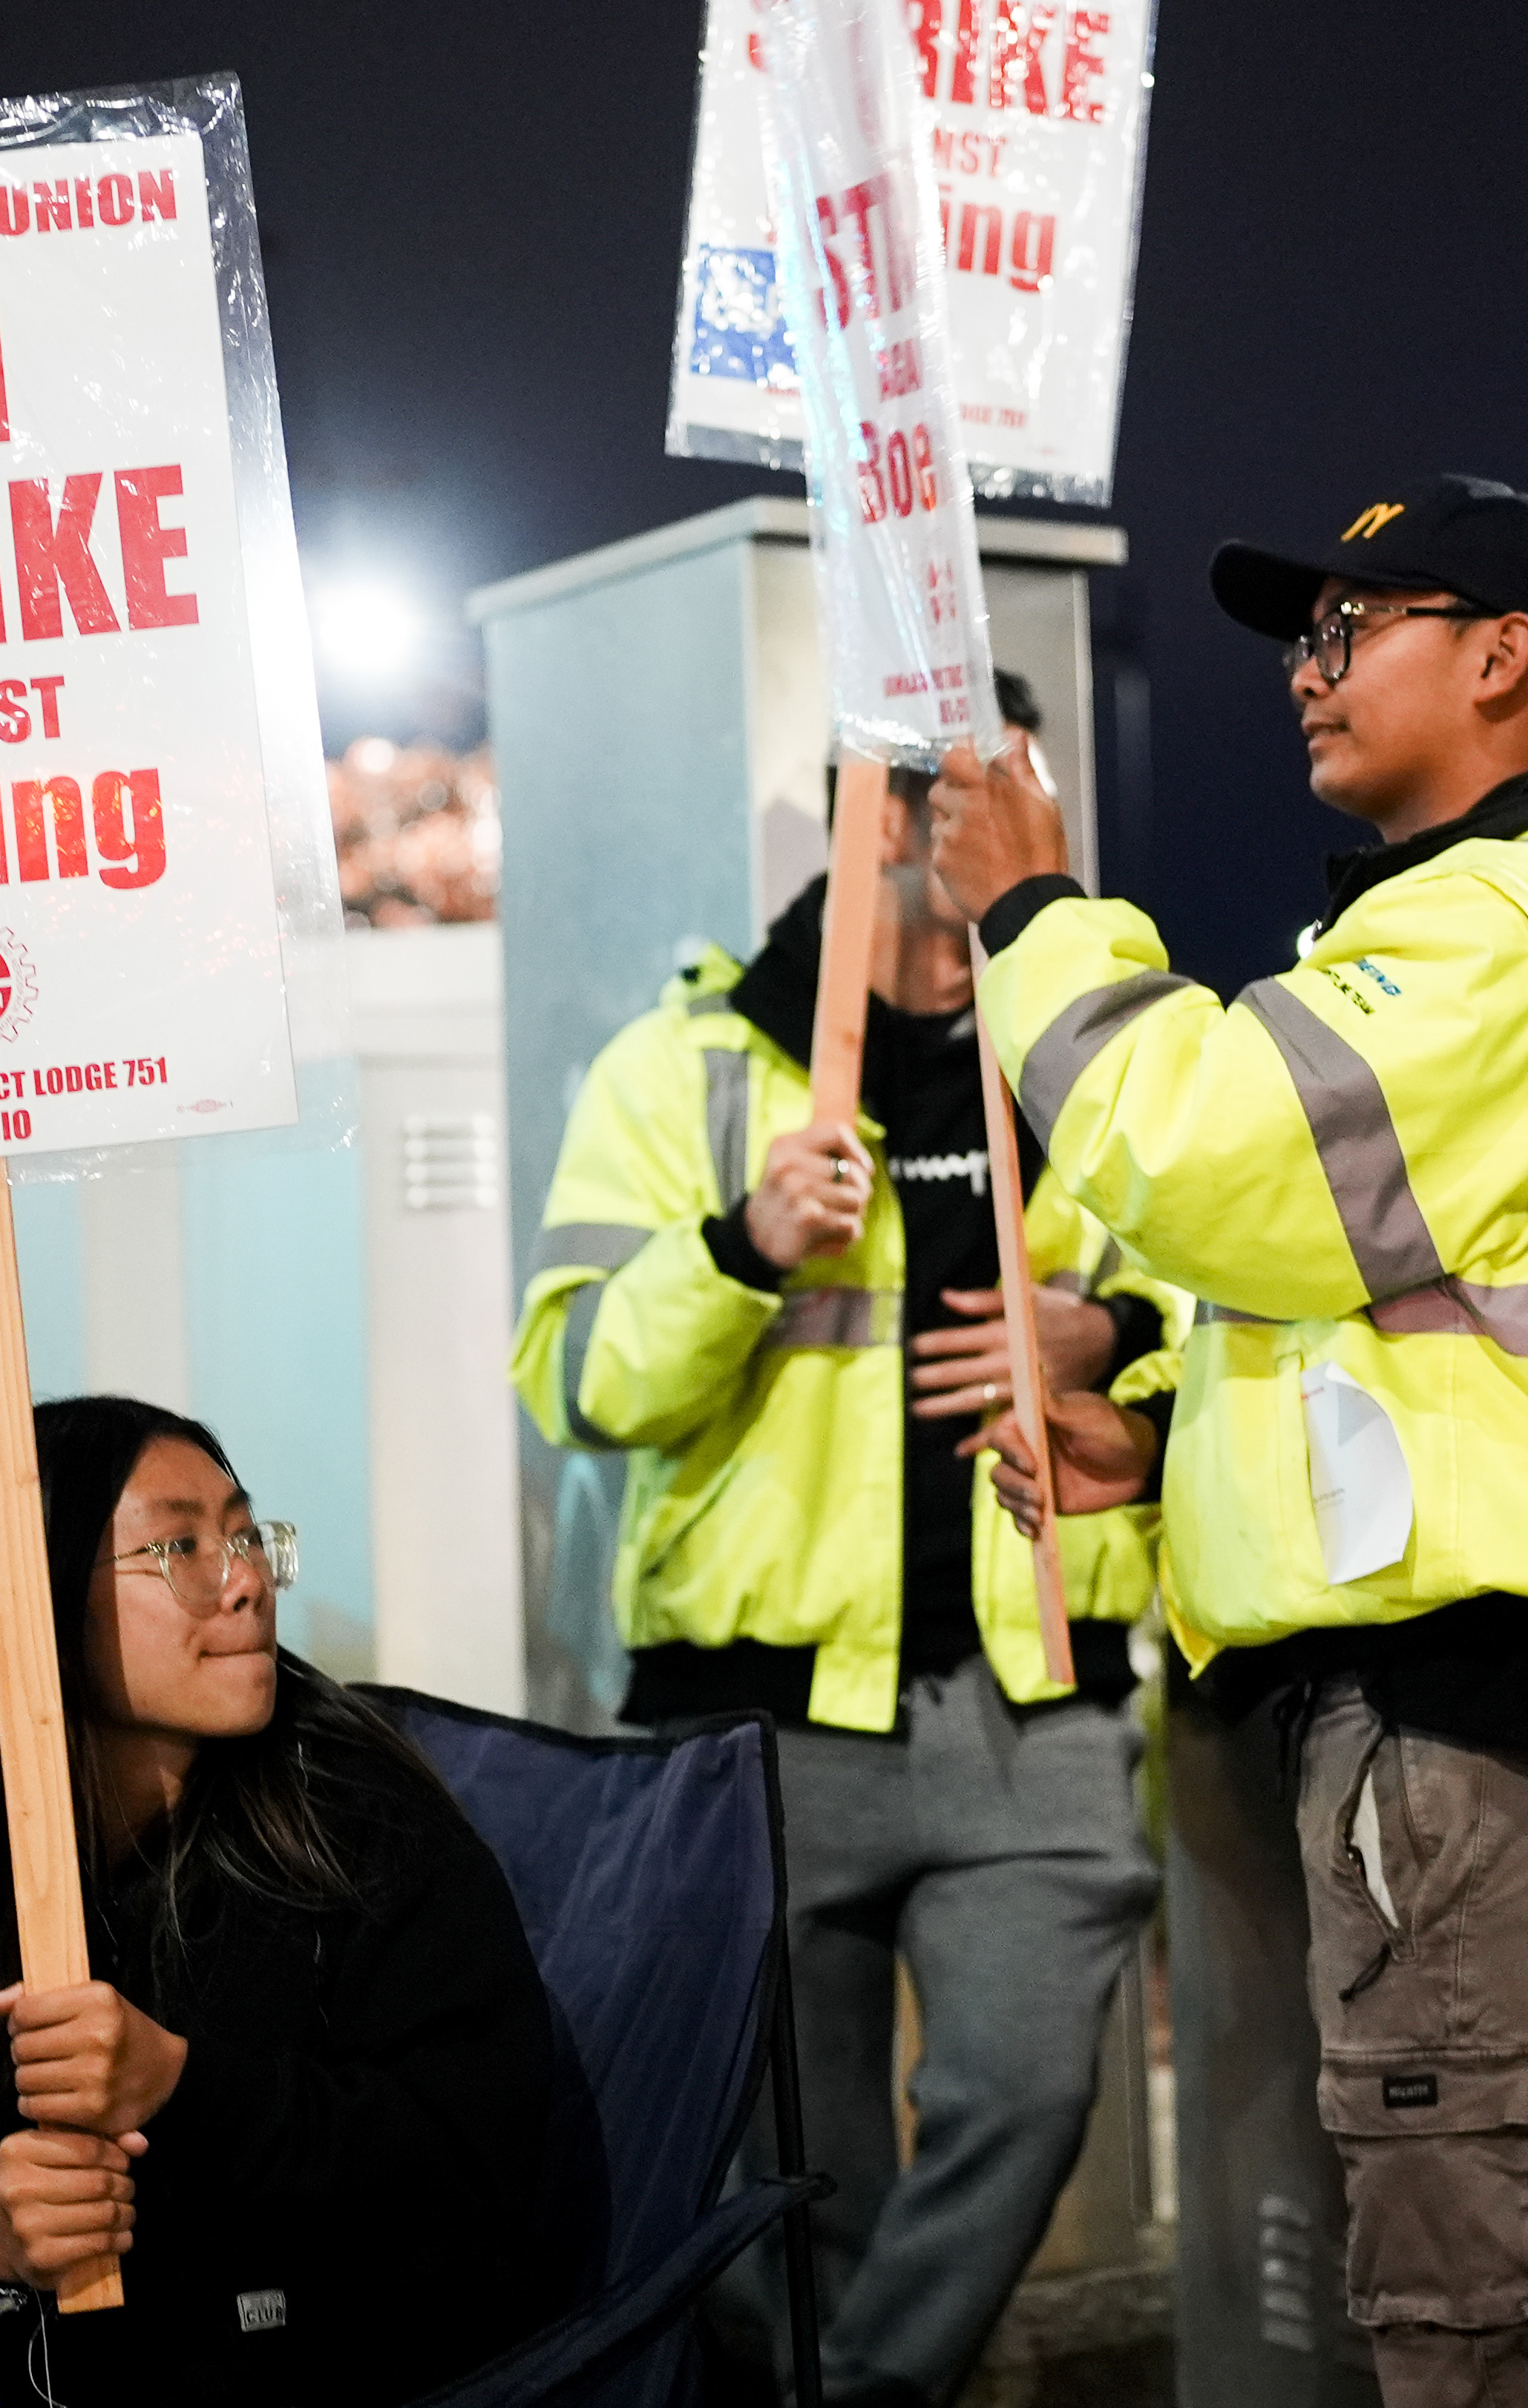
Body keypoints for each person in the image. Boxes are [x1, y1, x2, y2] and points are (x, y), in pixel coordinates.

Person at [927, 476, 1528, 2407]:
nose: (1301, 673)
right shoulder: (1462, 915)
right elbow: (1378, 1324)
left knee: (1475, 2339)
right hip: (1467, 1708)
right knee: (1475, 2311)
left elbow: (1199, 1148)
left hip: (1468, 1726)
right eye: (1296, 638)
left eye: (1349, 625)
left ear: (1501, 658)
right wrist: (1154, 1457)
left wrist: (1030, 912)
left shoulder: (1492, 921)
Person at [513, 671, 1181, 2407]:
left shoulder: (1102, 1047)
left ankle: (870, 2397)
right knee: (785, 2168)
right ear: (850, 814)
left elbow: (1221, 1304)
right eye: (922, 788)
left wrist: (1111, 1330)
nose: (959, 820)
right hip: (756, 1716)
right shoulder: (692, 1064)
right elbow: (578, 1377)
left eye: (997, 783)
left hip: (1034, 1694)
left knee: (1029, 2093)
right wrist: (737, 1247)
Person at [0, 1397, 568, 2402]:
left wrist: (183, 2086)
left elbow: (480, 2181)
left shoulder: (357, 1828)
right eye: (179, 1545)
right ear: (30, 1595)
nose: (248, 1581)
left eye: (246, 1535)